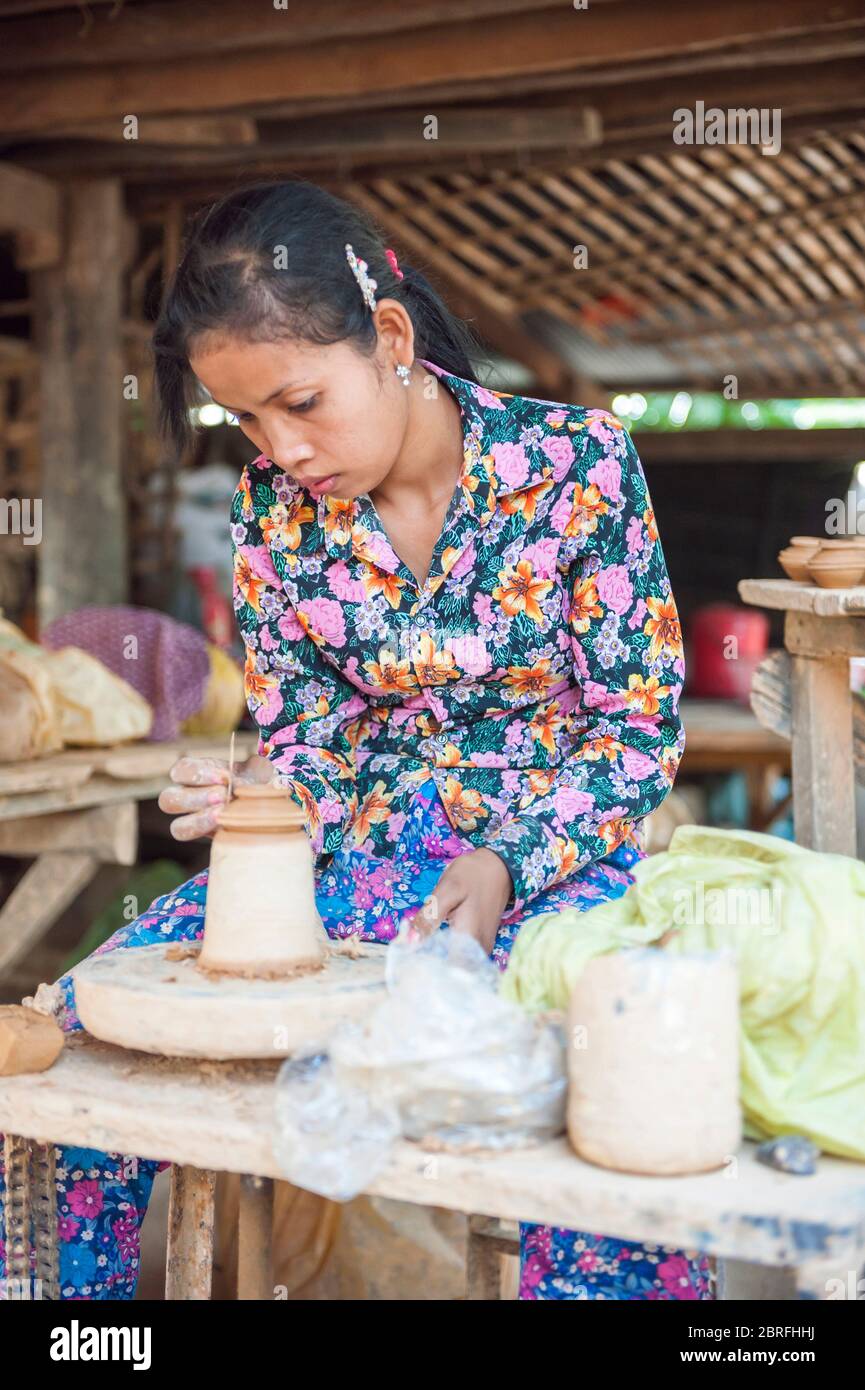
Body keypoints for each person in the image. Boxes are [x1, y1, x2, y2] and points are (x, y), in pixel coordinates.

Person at [0, 179, 711, 1301]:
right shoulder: (272, 518)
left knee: (615, 1083)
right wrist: (262, 800)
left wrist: (504, 862)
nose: (280, 447)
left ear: (388, 338)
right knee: (86, 1045)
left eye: (300, 401)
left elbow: (632, 733)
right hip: (355, 870)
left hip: (554, 864)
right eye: (245, 421)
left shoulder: (576, 467)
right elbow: (309, 740)